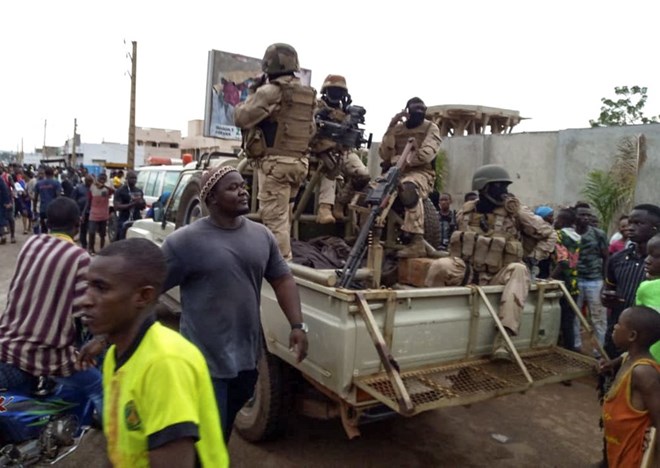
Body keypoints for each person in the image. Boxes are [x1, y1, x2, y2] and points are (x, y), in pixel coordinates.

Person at [161, 165, 309, 441]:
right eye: (233, 187)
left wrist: (298, 325)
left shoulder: (261, 235)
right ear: (212, 199)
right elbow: (149, 287)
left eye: (242, 185)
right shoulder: (185, 242)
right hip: (204, 363)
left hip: (246, 360)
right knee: (209, 439)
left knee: (224, 430)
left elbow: (282, 279)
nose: (243, 191)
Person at [79, 239, 228, 467]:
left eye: (101, 288)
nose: (86, 300)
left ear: (143, 296)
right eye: (88, 286)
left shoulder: (165, 363)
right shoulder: (114, 357)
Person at [425, 164, 557, 360]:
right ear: (483, 188)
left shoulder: (517, 212)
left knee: (519, 270)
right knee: (439, 266)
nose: (505, 192)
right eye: (499, 187)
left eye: (505, 187)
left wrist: (533, 257)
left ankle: (503, 339)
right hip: (469, 270)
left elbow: (549, 235)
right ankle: (430, 321)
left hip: (499, 274)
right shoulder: (466, 212)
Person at [0, 197, 102, 414]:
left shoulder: (31, 243)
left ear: (46, 221)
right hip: (42, 354)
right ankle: (116, 440)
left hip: (6, 344)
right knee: (99, 385)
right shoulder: (80, 257)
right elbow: (85, 313)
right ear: (79, 222)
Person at [234, 43, 316, 261]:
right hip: (299, 164)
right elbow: (312, 129)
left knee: (275, 221)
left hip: (276, 164)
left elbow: (241, 118)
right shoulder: (307, 95)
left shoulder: (270, 92)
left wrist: (253, 91)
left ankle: (282, 270)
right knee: (284, 217)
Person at [379, 97, 442, 258]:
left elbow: (425, 155)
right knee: (371, 192)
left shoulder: (430, 128)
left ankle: (417, 241)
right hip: (395, 172)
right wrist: (391, 127)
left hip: (420, 173)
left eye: (422, 109)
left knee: (408, 188)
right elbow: (384, 154)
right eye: (415, 109)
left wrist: (397, 160)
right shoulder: (398, 129)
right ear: (407, 111)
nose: (419, 113)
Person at [601, 306, 660, 468]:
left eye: (619, 324)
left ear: (632, 335)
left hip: (632, 459)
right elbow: (623, 359)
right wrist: (610, 364)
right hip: (617, 450)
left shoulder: (643, 373)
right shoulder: (629, 358)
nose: (614, 327)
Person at [601, 204, 660, 359]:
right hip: (619, 332)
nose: (630, 228)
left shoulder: (656, 266)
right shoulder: (617, 259)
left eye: (638, 223)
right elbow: (608, 288)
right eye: (630, 223)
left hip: (649, 343)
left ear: (656, 227)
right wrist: (606, 298)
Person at [310, 74, 370, 224]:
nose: (336, 94)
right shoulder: (315, 106)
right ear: (326, 91)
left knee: (363, 174)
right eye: (333, 90)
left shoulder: (347, 112)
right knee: (331, 167)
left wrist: (352, 121)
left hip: (343, 151)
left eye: (340, 91)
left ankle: (341, 202)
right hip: (318, 152)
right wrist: (317, 116)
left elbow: (353, 137)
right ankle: (324, 208)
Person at [573, 205, 609, 354]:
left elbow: (606, 257)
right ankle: (575, 345)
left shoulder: (598, 234)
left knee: (598, 317)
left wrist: (605, 281)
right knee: (574, 315)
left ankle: (599, 350)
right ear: (575, 217)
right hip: (575, 280)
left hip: (594, 280)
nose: (586, 218)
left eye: (588, 215)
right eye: (582, 215)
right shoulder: (569, 235)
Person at [550, 208, 581, 351]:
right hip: (574, 281)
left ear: (562, 221)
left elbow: (562, 261)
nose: (555, 221)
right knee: (568, 319)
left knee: (556, 318)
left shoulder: (559, 235)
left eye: (558, 219)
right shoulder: (577, 236)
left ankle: (558, 348)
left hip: (561, 282)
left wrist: (550, 279)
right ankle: (570, 347)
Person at [635, 232, 660, 362]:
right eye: (648, 254)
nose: (647, 260)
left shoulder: (647, 288)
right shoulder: (647, 288)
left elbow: (637, 330)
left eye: (655, 256)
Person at [113, 170, 146, 240]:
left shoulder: (139, 191)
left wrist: (140, 203)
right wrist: (132, 204)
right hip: (124, 219)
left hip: (136, 219)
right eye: (131, 178)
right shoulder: (120, 191)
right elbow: (117, 207)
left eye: (135, 178)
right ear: (126, 179)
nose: (134, 180)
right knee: (121, 240)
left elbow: (143, 207)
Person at [85, 172, 113, 255]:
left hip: (104, 214)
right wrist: (84, 213)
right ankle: (91, 249)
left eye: (104, 179)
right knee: (91, 232)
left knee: (103, 234)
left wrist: (104, 186)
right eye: (101, 178)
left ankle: (102, 249)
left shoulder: (107, 189)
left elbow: (114, 191)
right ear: (98, 179)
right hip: (93, 213)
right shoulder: (92, 187)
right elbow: (88, 200)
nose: (102, 180)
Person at [33, 166, 62, 234]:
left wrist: (34, 208)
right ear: (53, 174)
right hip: (53, 209)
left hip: (43, 209)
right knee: (54, 228)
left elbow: (35, 198)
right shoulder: (56, 183)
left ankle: (44, 241)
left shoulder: (39, 183)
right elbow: (58, 197)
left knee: (43, 229)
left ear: (45, 174)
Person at [72, 174, 94, 250]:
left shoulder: (93, 188)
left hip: (91, 211)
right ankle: (84, 244)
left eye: (91, 181)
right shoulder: (79, 188)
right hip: (81, 211)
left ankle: (91, 245)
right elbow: (73, 200)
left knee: (91, 229)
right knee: (83, 228)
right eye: (89, 181)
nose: (90, 183)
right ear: (85, 181)